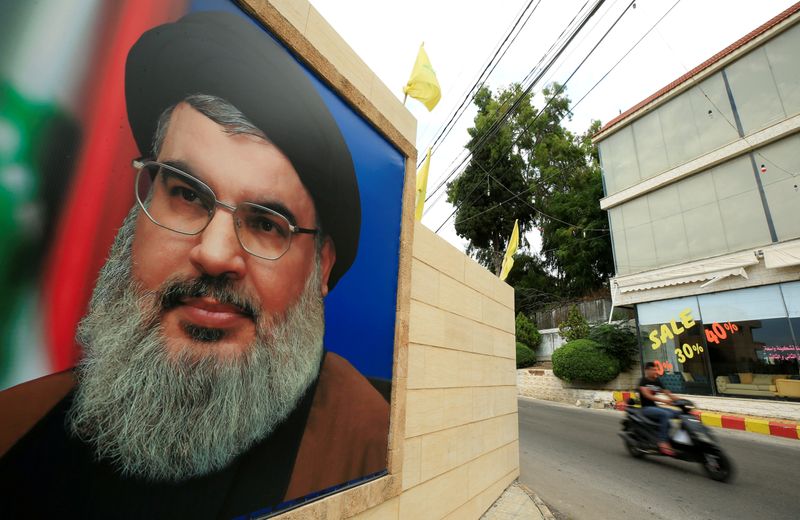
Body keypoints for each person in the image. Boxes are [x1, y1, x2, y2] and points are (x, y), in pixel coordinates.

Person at [0, 11, 389, 519]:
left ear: (321, 267)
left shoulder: (370, 447)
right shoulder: (13, 429)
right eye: (186, 194)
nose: (214, 252)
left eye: (267, 223)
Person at [638, 361, 680, 456]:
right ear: (647, 370)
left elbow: (667, 393)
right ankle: (662, 442)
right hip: (646, 409)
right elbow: (647, 395)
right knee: (665, 414)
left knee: (678, 413)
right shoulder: (643, 381)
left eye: (656, 370)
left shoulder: (657, 381)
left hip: (655, 407)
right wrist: (664, 401)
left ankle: (677, 440)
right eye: (653, 370)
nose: (655, 372)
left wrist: (681, 401)